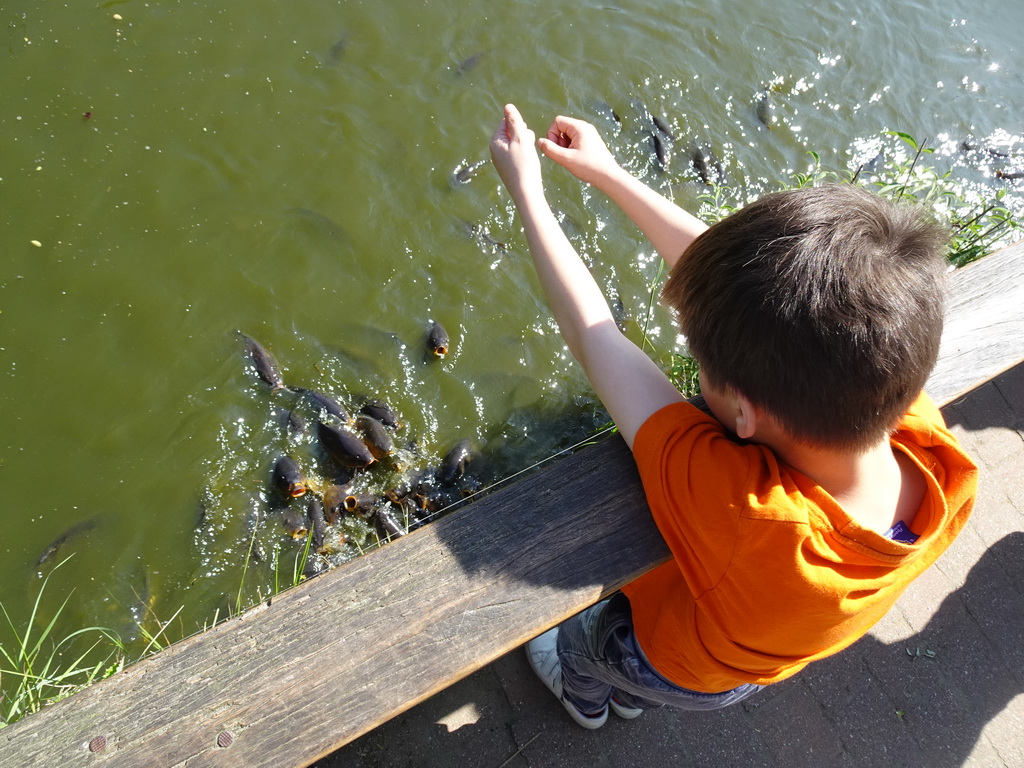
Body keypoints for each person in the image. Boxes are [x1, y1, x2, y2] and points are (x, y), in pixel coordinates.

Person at [488, 103, 978, 729]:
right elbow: (759, 297)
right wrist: (607, 173)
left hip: (667, 655)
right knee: (672, 667)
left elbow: (595, 336)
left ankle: (585, 695)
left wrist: (528, 193)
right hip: (744, 663)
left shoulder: (752, 520)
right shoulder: (925, 441)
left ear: (744, 413)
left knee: (589, 648)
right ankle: (633, 696)